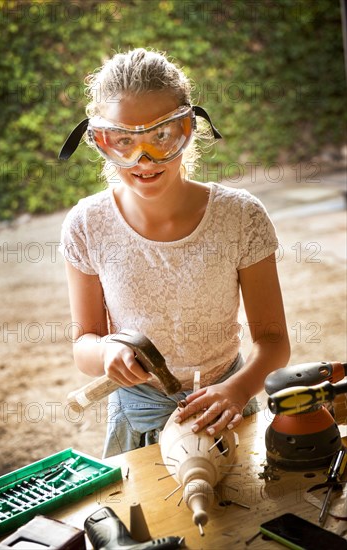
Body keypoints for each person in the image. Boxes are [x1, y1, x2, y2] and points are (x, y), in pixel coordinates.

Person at [59, 48, 290, 457]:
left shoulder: (240, 216)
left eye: (162, 136)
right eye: (123, 141)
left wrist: (236, 389)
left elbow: (273, 341)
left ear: (190, 128)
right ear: (99, 141)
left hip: (227, 408)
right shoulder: (86, 225)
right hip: (138, 415)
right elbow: (85, 343)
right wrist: (106, 351)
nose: (143, 160)